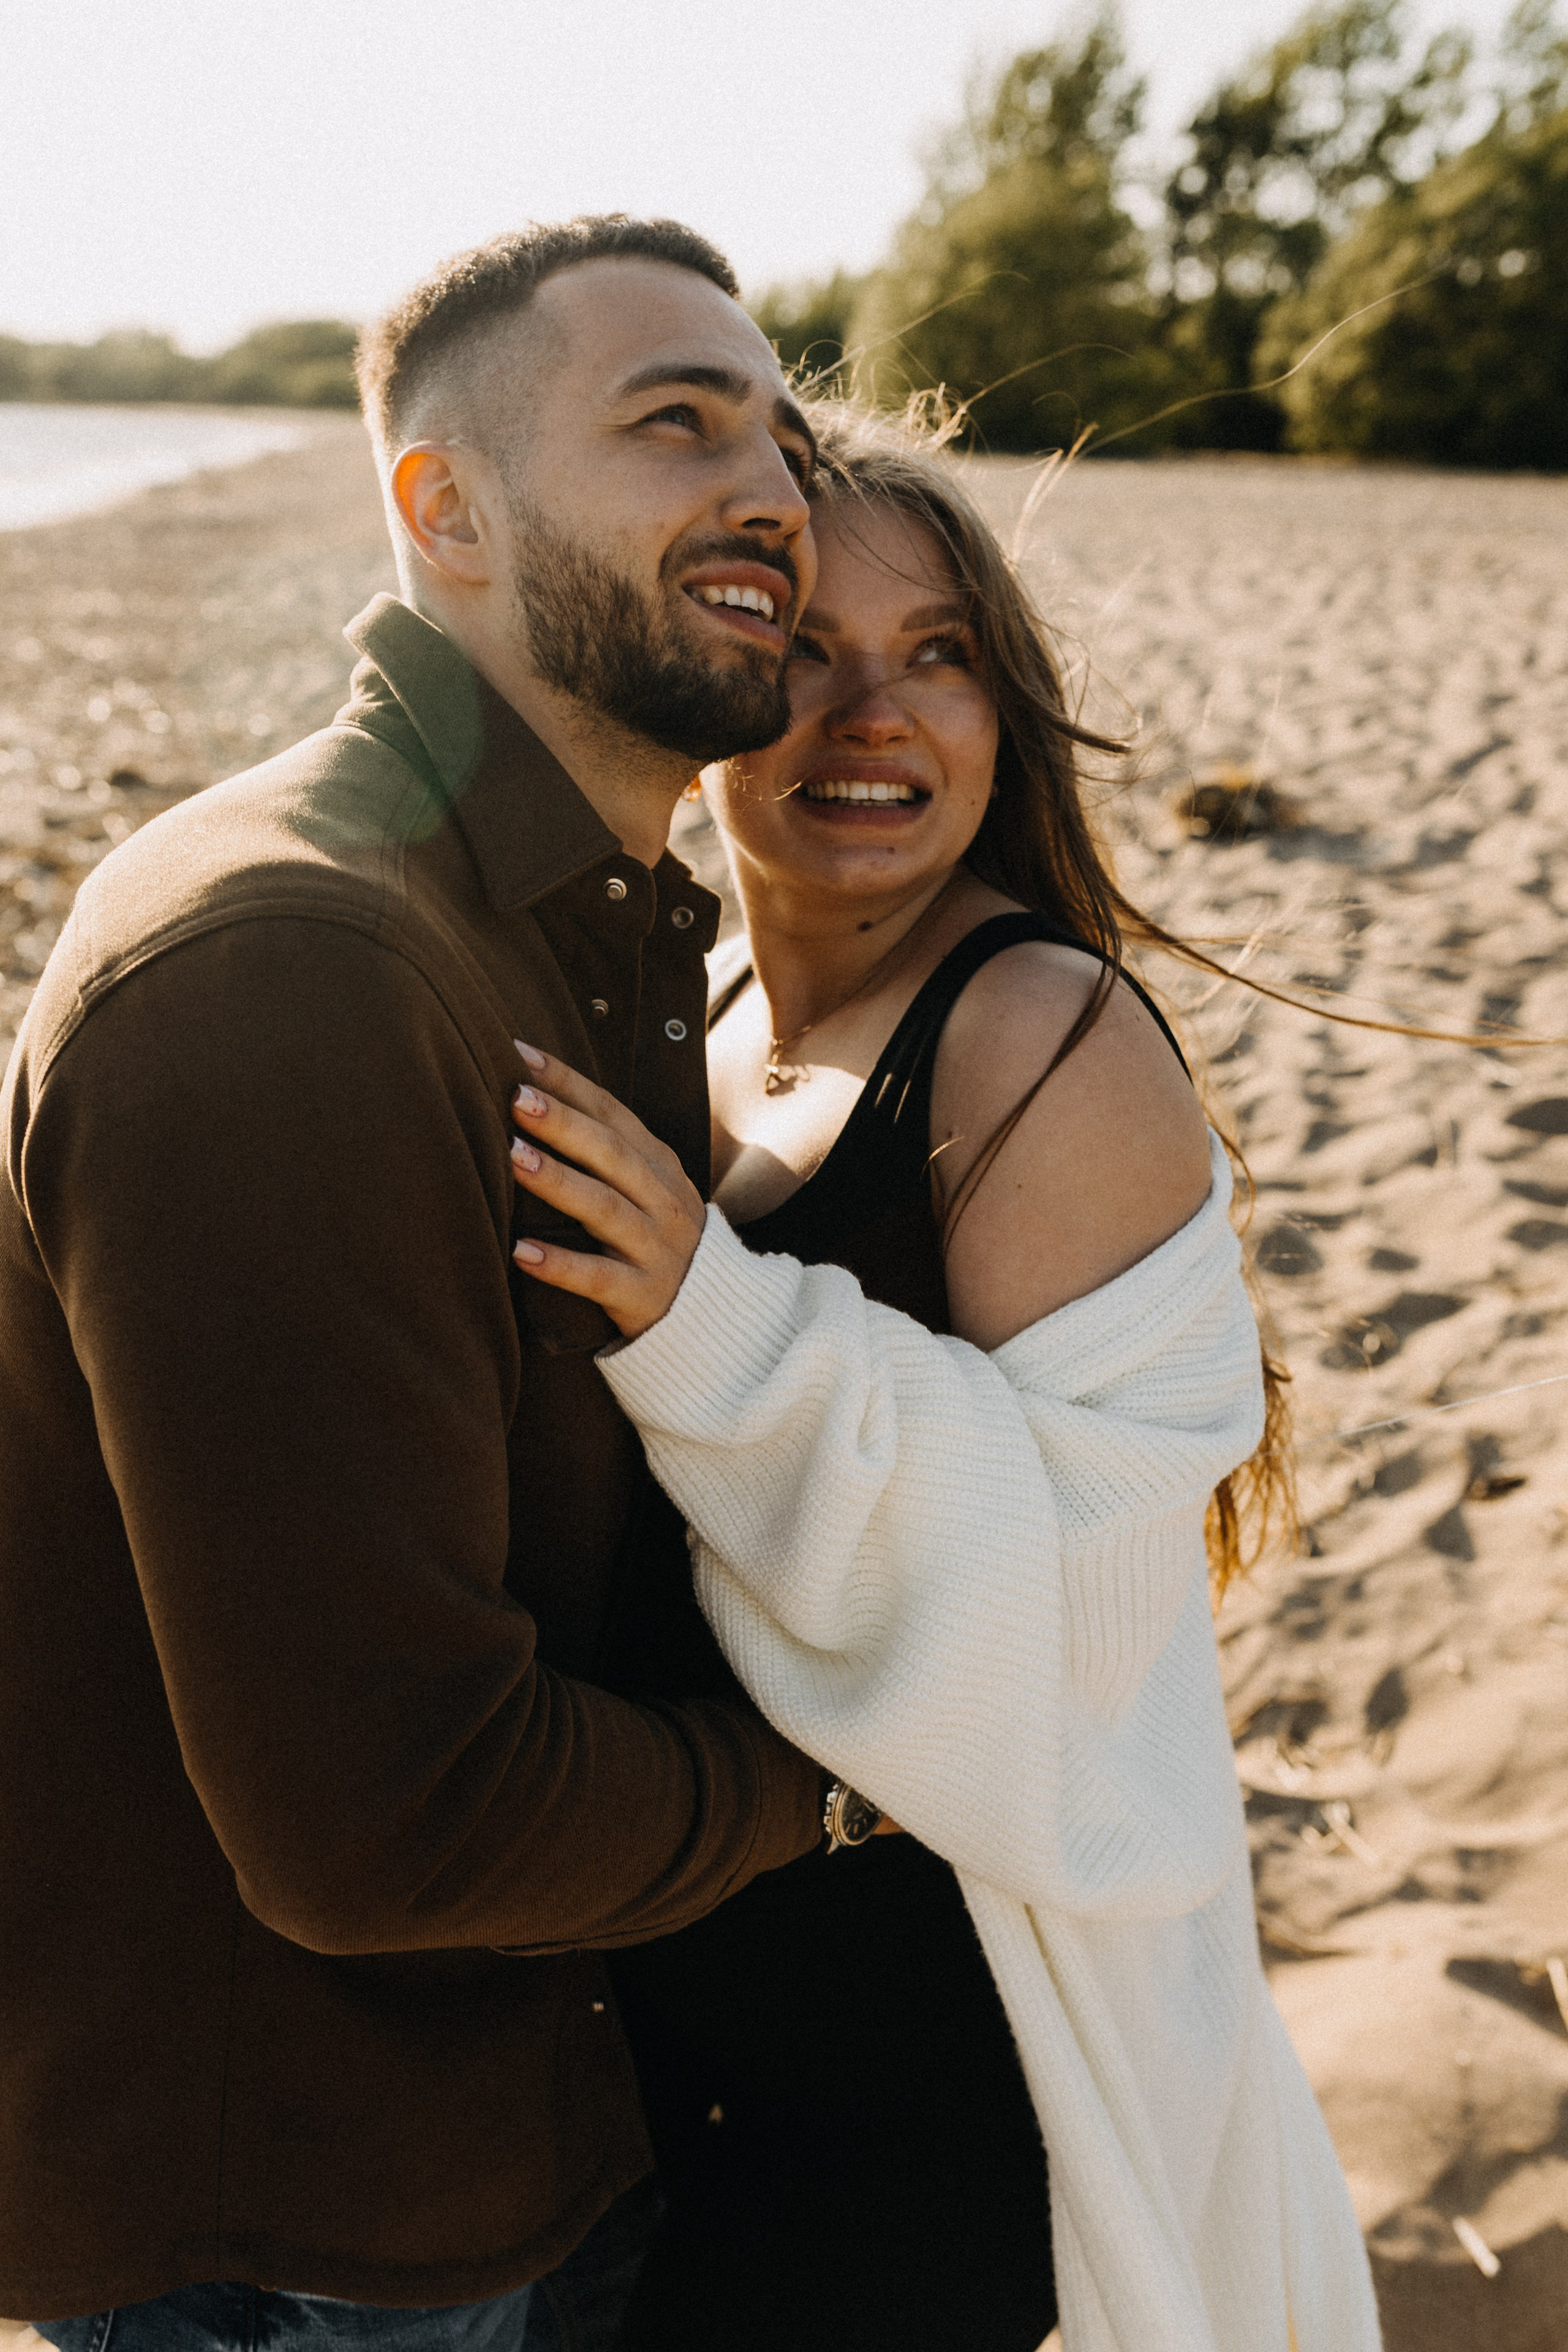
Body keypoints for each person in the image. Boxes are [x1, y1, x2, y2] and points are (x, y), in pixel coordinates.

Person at [0, 216, 835, 2352]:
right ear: (438, 510)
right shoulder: (294, 968)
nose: (770, 491)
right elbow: (389, 1821)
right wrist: (839, 1777)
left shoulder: (584, 931)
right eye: (676, 421)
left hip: (506, 2152)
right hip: (300, 2246)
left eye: (785, 438)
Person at [500, 407, 1382, 2351]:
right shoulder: (705, 1011)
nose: (869, 716)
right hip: (673, 2034)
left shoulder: (1035, 1041)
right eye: (803, 652)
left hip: (912, 2086)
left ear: (1008, 704)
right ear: (705, 686)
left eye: (938, 655)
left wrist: (712, 1326)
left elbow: (1072, 1617)